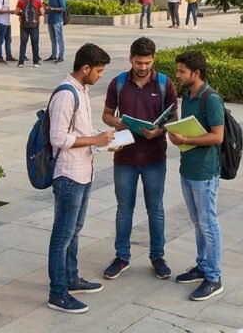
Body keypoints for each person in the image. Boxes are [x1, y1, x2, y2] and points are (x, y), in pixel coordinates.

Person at [45, 43, 116, 314]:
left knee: (74, 231)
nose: (100, 76)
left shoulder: (81, 90)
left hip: (84, 171)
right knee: (62, 235)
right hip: (69, 175)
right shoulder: (66, 94)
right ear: (85, 68)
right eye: (98, 71)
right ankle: (57, 293)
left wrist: (103, 139)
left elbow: (81, 131)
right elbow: (58, 138)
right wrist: (95, 139)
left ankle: (71, 278)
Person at [102, 37, 179, 282]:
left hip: (155, 157)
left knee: (155, 209)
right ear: (130, 59)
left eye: (147, 62)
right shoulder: (118, 83)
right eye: (138, 62)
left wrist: (159, 130)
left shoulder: (166, 84)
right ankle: (121, 257)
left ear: (153, 59)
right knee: (124, 209)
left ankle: (158, 257)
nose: (143, 67)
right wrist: (118, 122)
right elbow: (106, 115)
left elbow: (173, 118)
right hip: (124, 157)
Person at [167, 51, 226, 302]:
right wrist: (175, 135)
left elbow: (217, 136)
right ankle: (201, 265)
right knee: (197, 221)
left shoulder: (210, 99)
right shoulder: (187, 95)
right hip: (187, 168)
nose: (178, 75)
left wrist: (187, 139)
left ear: (196, 73)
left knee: (208, 223)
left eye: (182, 71)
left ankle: (214, 277)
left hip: (204, 172)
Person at [17, 0, 44, 67]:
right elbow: (42, 12)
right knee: (35, 44)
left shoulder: (21, 1)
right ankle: (35, 62)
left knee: (23, 44)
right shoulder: (38, 0)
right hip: (34, 25)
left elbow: (17, 12)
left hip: (24, 25)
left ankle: (21, 62)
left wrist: (22, 15)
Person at [45, 0, 68, 64]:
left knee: (59, 39)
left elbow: (63, 8)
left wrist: (51, 8)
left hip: (57, 21)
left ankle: (61, 56)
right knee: (52, 39)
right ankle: (54, 55)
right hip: (50, 20)